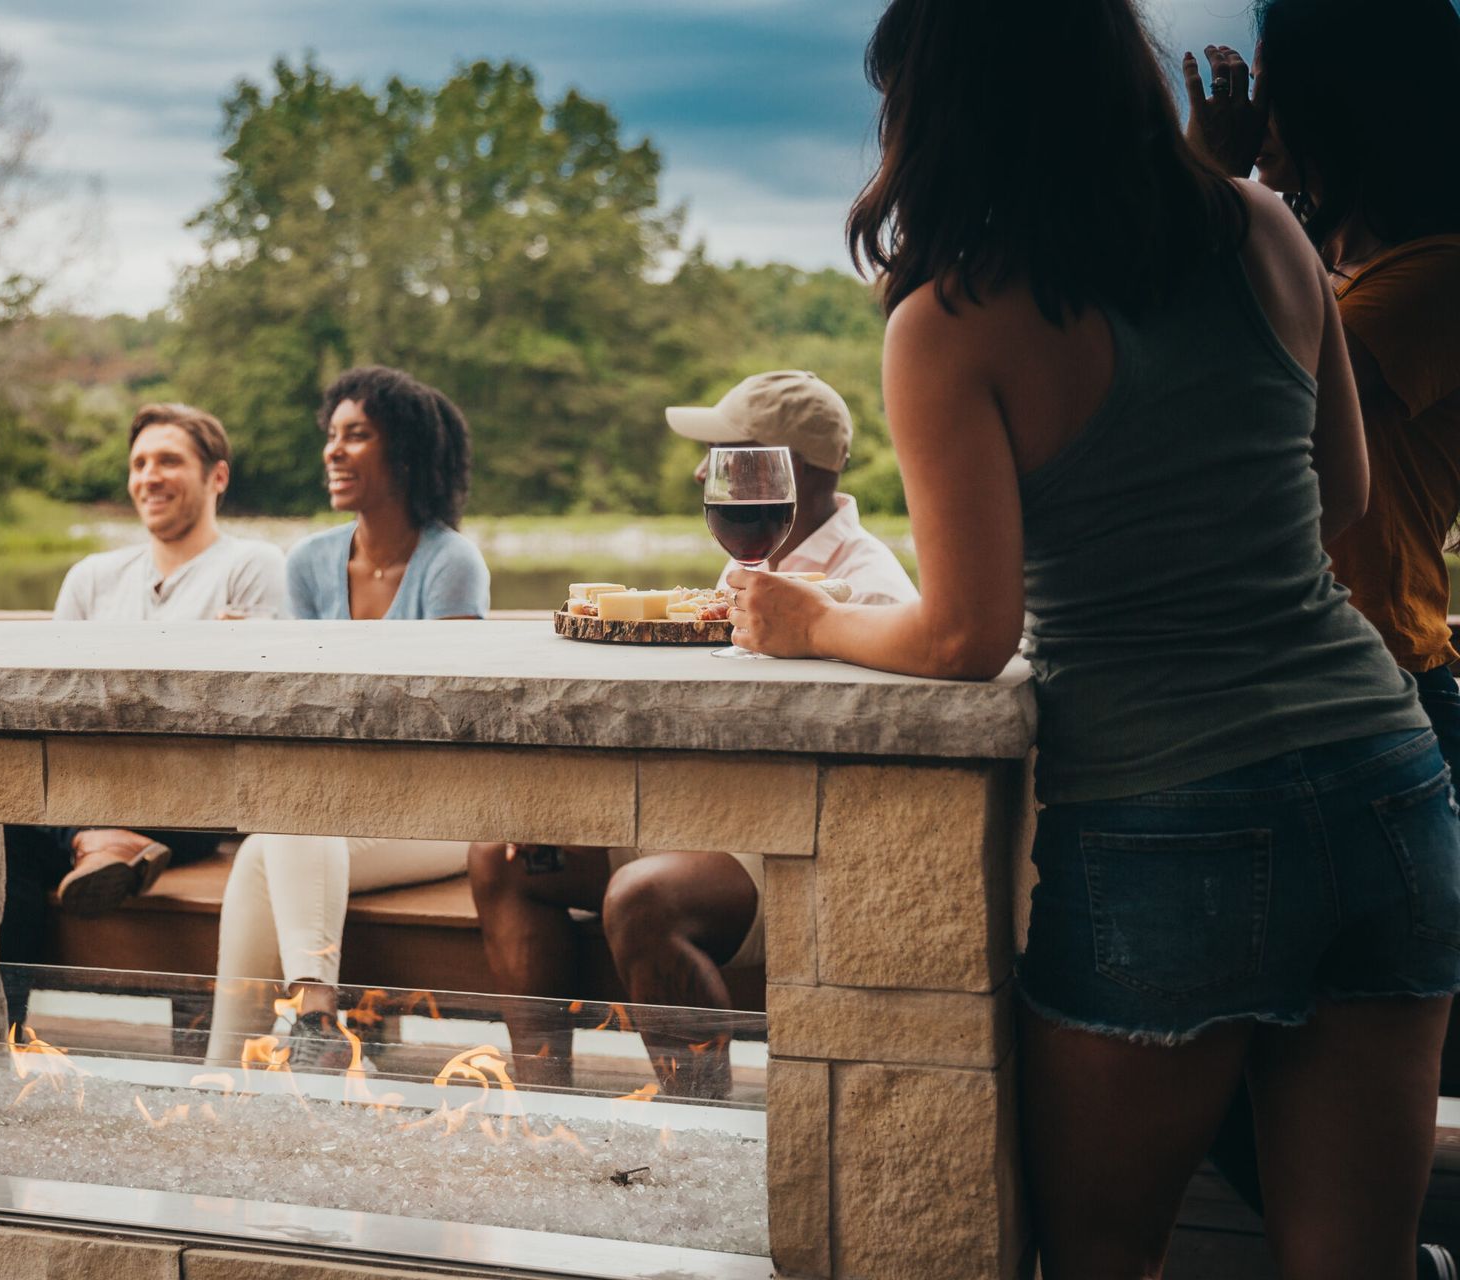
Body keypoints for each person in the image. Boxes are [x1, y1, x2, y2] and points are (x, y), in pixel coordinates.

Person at [733, 0, 1460, 1275]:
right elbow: (1339, 495)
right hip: (1384, 781)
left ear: (930, 108)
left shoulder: (952, 319)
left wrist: (812, 620)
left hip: (1163, 810)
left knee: (1100, 1258)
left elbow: (967, 630)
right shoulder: (1267, 229)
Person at [1180, 5, 1460, 1272]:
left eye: (1282, 95)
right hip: (1299, 695)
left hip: (1378, 700)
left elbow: (1238, 387)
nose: (1265, 118)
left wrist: (1219, 184)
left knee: (1316, 1062)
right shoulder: (1345, 263)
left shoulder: (1437, 275)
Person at [468, 370, 917, 1097]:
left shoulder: (870, 588)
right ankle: (541, 1106)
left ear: (790, 469)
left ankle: (701, 1123)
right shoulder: (751, 561)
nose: (703, 469)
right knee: (507, 853)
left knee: (643, 897)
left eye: (724, 452)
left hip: (795, 842)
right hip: (705, 816)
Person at [204, 365, 489, 1068]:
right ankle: (287, 1041)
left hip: (441, 807)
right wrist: (264, 651)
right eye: (331, 436)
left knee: (282, 827)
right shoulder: (310, 562)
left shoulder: (451, 564)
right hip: (332, 808)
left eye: (356, 436)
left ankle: (253, 1057)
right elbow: (298, 708)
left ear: (406, 452)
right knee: (268, 843)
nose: (333, 451)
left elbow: (445, 720)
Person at [0, 403, 286, 1018]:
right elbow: (50, 699)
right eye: (138, 464)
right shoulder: (92, 578)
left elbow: (251, 710)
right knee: (3, 829)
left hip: (198, 792)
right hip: (89, 783)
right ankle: (5, 1032)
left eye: (169, 461)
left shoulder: (251, 566)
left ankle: (94, 841)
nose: (148, 477)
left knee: (26, 823)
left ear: (218, 477)